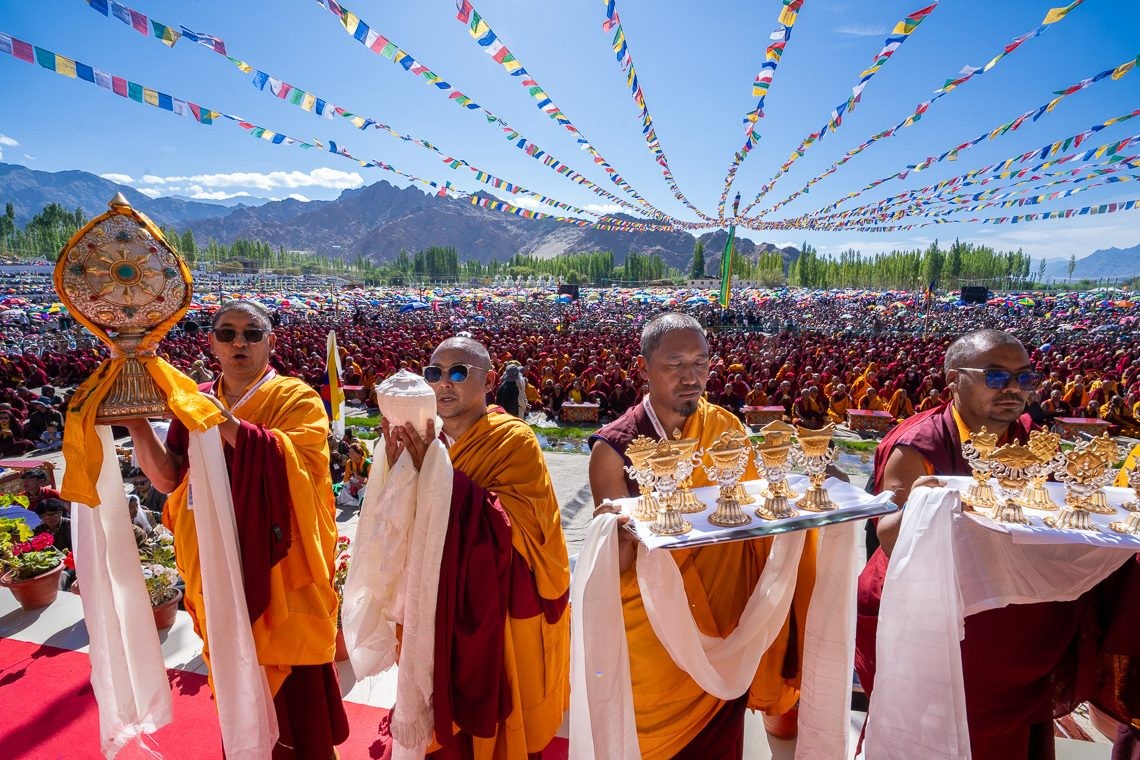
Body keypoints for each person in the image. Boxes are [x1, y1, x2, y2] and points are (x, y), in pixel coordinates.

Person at [856, 329, 1140, 760]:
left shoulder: (1026, 436)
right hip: (938, 616)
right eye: (995, 377)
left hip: (1011, 614)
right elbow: (889, 536)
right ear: (953, 380)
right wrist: (937, 502)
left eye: (1024, 379)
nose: (1012, 390)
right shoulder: (919, 443)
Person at [125, 299, 348, 759]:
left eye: (251, 332)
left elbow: (301, 469)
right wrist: (136, 422)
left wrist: (227, 424)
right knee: (236, 684)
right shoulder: (196, 399)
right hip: (216, 563)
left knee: (296, 702)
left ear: (271, 340)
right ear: (212, 343)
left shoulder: (295, 397)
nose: (239, 342)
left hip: (282, 568)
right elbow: (169, 478)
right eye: (227, 333)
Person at [587, 313, 817, 758]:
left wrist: (810, 489)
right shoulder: (614, 449)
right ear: (645, 369)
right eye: (674, 364)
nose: (691, 377)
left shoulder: (725, 429)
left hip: (727, 622)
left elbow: (754, 516)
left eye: (701, 362)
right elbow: (615, 567)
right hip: (655, 636)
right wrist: (616, 534)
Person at [384, 336, 570, 759]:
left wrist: (430, 472)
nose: (443, 383)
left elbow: (521, 527)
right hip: (432, 599)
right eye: (434, 373)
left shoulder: (512, 440)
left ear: (487, 381)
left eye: (458, 372)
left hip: (495, 607)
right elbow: (398, 524)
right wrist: (399, 471)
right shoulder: (423, 438)